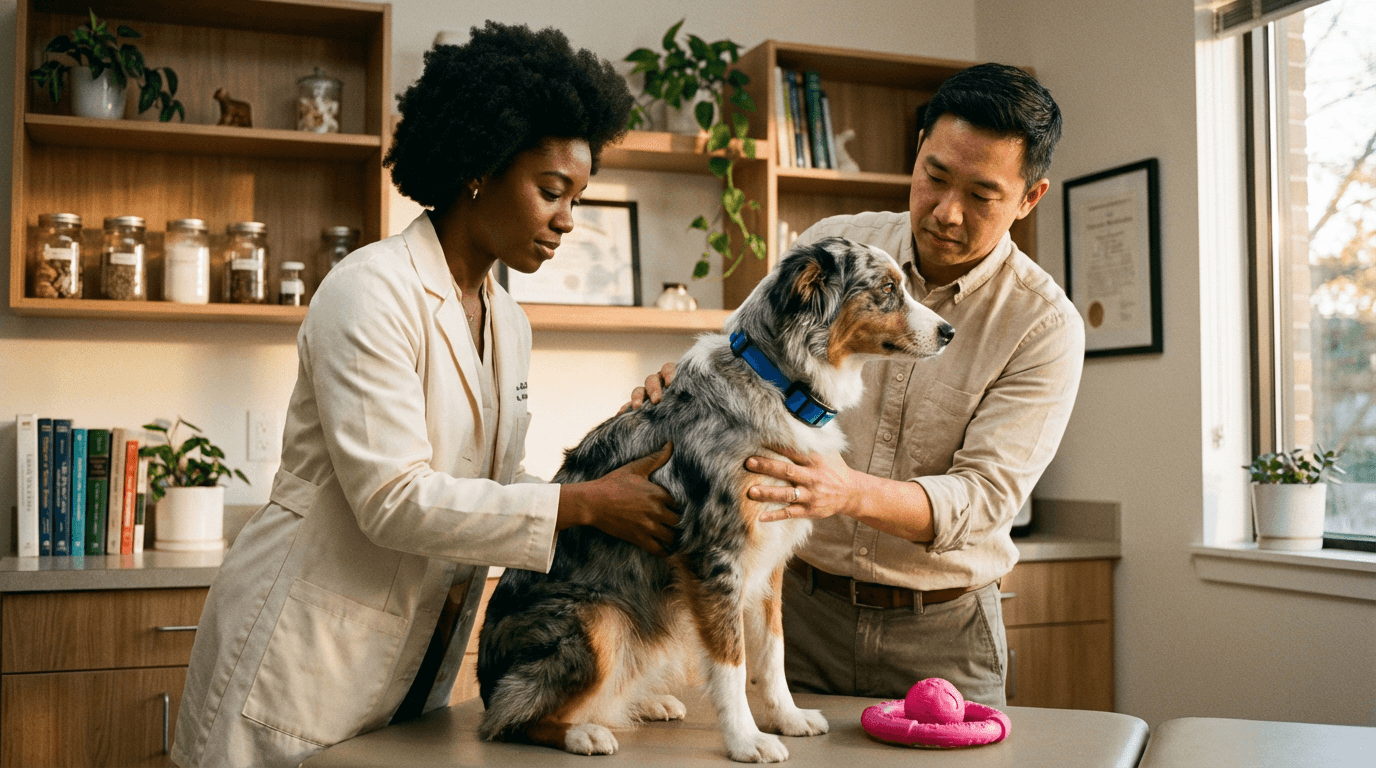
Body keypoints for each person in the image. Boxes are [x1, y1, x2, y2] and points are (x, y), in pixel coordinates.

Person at [173, 23, 678, 768]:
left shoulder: (506, 319)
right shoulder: (369, 291)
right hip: (301, 658)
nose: (569, 219)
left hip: (416, 662)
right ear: (479, 168)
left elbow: (489, 486)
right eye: (551, 191)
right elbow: (394, 498)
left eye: (578, 195)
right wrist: (584, 503)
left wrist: (622, 454)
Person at [632, 63, 1082, 707]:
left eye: (982, 196)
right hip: (799, 615)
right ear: (919, 148)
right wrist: (683, 387)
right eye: (934, 177)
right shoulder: (833, 246)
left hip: (942, 634)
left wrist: (847, 493)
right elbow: (743, 358)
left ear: (1028, 198)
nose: (947, 213)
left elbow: (984, 499)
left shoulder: (1042, 324)